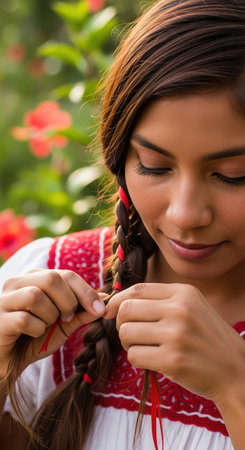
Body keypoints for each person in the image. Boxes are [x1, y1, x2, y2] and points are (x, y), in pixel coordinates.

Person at [0, 0, 245, 449]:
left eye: (233, 175)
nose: (186, 214)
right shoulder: (47, 281)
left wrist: (235, 385)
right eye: (154, 166)